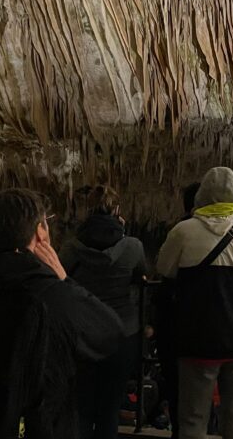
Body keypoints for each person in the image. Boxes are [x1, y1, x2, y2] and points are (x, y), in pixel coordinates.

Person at [0, 188, 123, 439]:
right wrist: (65, 280)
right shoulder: (53, 293)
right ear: (39, 233)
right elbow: (110, 332)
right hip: (41, 424)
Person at [155, 168, 233, 439]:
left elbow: (164, 267)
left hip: (196, 340)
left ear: (202, 196)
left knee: (193, 420)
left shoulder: (183, 231)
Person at [60, 186, 148, 439]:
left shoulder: (71, 249)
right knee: (110, 407)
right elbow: (139, 274)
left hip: (82, 332)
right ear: (117, 211)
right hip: (122, 331)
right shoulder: (132, 246)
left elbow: (61, 279)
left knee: (82, 405)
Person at [153, 182, 202, 438]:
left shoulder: (180, 230)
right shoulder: (231, 231)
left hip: (175, 323)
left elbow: (163, 268)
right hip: (205, 326)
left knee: (176, 386)